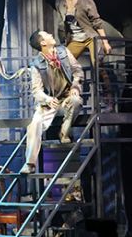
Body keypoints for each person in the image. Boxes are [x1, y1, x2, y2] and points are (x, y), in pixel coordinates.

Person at [21, 31, 84, 174]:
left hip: (67, 98)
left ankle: (64, 132)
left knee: (76, 100)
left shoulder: (63, 52)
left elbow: (77, 71)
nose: (50, 34)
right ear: (43, 43)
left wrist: (75, 87)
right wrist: (47, 99)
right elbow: (36, 91)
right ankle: (30, 163)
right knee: (34, 124)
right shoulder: (36, 65)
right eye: (47, 35)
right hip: (50, 103)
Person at [55, 0, 112, 64]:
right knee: (64, 63)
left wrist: (105, 42)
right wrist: (63, 41)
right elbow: (61, 24)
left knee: (97, 63)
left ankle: (102, 72)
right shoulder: (59, 0)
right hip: (75, 39)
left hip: (90, 37)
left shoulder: (86, 1)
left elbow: (97, 22)